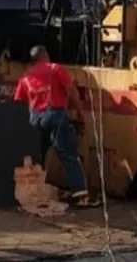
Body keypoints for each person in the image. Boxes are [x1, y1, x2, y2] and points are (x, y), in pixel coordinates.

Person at [13, 45, 94, 206]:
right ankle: (80, 197)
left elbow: (18, 102)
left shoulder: (25, 77)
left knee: (39, 156)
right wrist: (80, 113)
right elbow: (71, 91)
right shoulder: (55, 69)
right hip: (55, 115)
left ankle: (35, 192)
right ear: (45, 55)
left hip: (34, 118)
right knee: (68, 155)